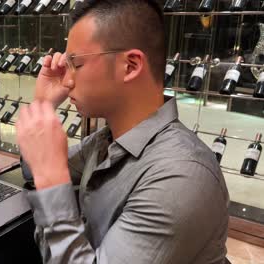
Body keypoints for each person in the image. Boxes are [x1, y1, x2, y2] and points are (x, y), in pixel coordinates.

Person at [15, 0, 230, 263]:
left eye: (76, 64)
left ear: (130, 65)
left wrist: (51, 176)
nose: (67, 81)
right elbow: (31, 171)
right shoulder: (108, 141)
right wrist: (42, 106)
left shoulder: (181, 177)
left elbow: (42, 175)